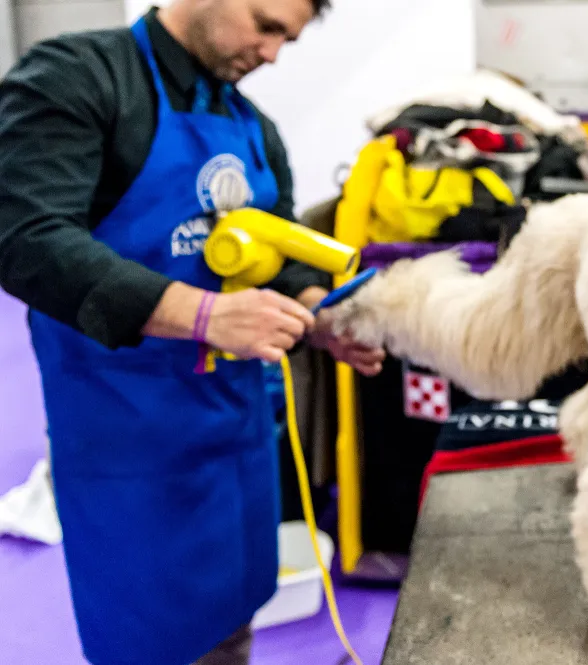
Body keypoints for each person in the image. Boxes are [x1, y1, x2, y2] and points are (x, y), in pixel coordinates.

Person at [0, 0, 385, 663]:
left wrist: (319, 319)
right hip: (131, 448)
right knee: (152, 642)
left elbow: (279, 260)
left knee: (233, 623)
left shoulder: (252, 127)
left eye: (285, 41)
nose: (270, 54)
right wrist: (205, 315)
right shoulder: (77, 79)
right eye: (265, 26)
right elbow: (27, 238)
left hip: (237, 442)